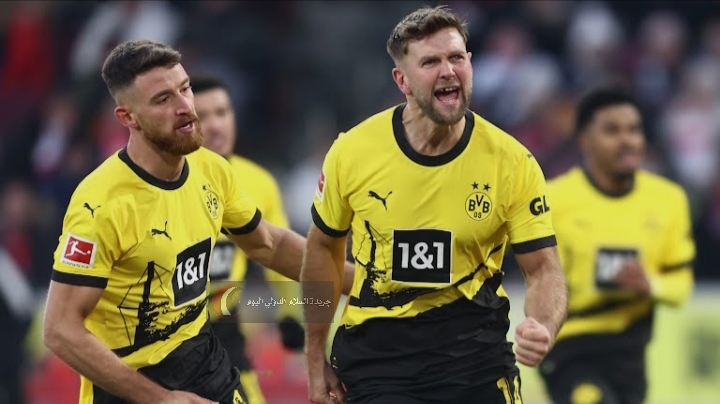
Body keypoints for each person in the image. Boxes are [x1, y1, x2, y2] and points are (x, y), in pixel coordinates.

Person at [42, 40, 353, 404]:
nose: (186, 107)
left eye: (185, 89)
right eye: (163, 99)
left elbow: (269, 244)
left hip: (204, 361)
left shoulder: (211, 169)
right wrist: (161, 399)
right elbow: (59, 330)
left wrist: (364, 283)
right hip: (130, 383)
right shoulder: (101, 204)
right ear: (128, 118)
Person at [301, 5, 568, 404]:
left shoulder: (512, 162)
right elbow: (323, 247)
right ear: (402, 80)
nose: (448, 71)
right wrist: (314, 353)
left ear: (470, 64)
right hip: (380, 367)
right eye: (430, 62)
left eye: (456, 57)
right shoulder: (352, 152)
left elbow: (544, 269)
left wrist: (542, 324)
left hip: (477, 364)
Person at [538, 86, 695, 404]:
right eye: (612, 130)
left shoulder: (669, 200)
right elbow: (534, 276)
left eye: (634, 130)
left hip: (630, 352)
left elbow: (681, 285)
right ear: (584, 140)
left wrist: (649, 284)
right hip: (570, 347)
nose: (628, 140)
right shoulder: (552, 199)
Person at [191, 73, 305, 404]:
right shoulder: (165, 182)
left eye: (222, 112)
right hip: (166, 340)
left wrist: (291, 313)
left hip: (224, 332)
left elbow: (279, 255)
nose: (216, 125)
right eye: (203, 116)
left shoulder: (258, 182)